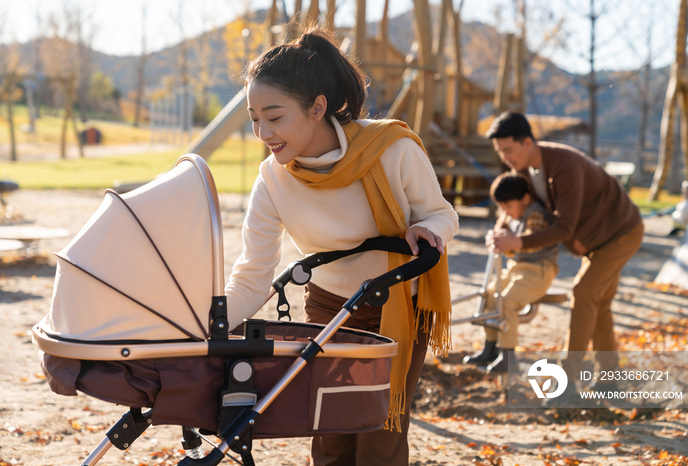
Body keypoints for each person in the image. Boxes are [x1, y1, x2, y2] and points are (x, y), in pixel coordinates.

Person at [225, 28, 459, 466]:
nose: (262, 132)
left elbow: (443, 214)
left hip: (398, 306)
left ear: (317, 107)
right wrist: (210, 321)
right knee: (330, 432)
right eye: (254, 118)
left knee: (378, 434)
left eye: (274, 117)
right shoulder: (273, 180)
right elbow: (253, 274)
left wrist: (428, 231)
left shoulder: (391, 149)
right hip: (330, 307)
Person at [484, 112, 643, 401]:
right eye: (500, 152)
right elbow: (511, 209)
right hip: (596, 239)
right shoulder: (523, 172)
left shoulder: (565, 165)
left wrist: (518, 241)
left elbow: (564, 227)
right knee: (598, 304)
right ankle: (610, 378)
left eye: (508, 150)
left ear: (529, 142)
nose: (505, 158)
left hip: (621, 232)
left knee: (583, 293)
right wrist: (499, 232)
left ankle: (567, 381)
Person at [462, 172, 558, 373]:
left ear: (524, 199)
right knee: (489, 294)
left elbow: (533, 243)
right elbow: (502, 232)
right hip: (517, 268)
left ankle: (508, 356)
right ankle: (490, 347)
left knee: (507, 300)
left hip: (539, 270)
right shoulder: (511, 213)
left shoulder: (535, 214)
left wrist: (510, 244)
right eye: (502, 207)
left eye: (508, 206)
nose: (505, 211)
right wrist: (497, 234)